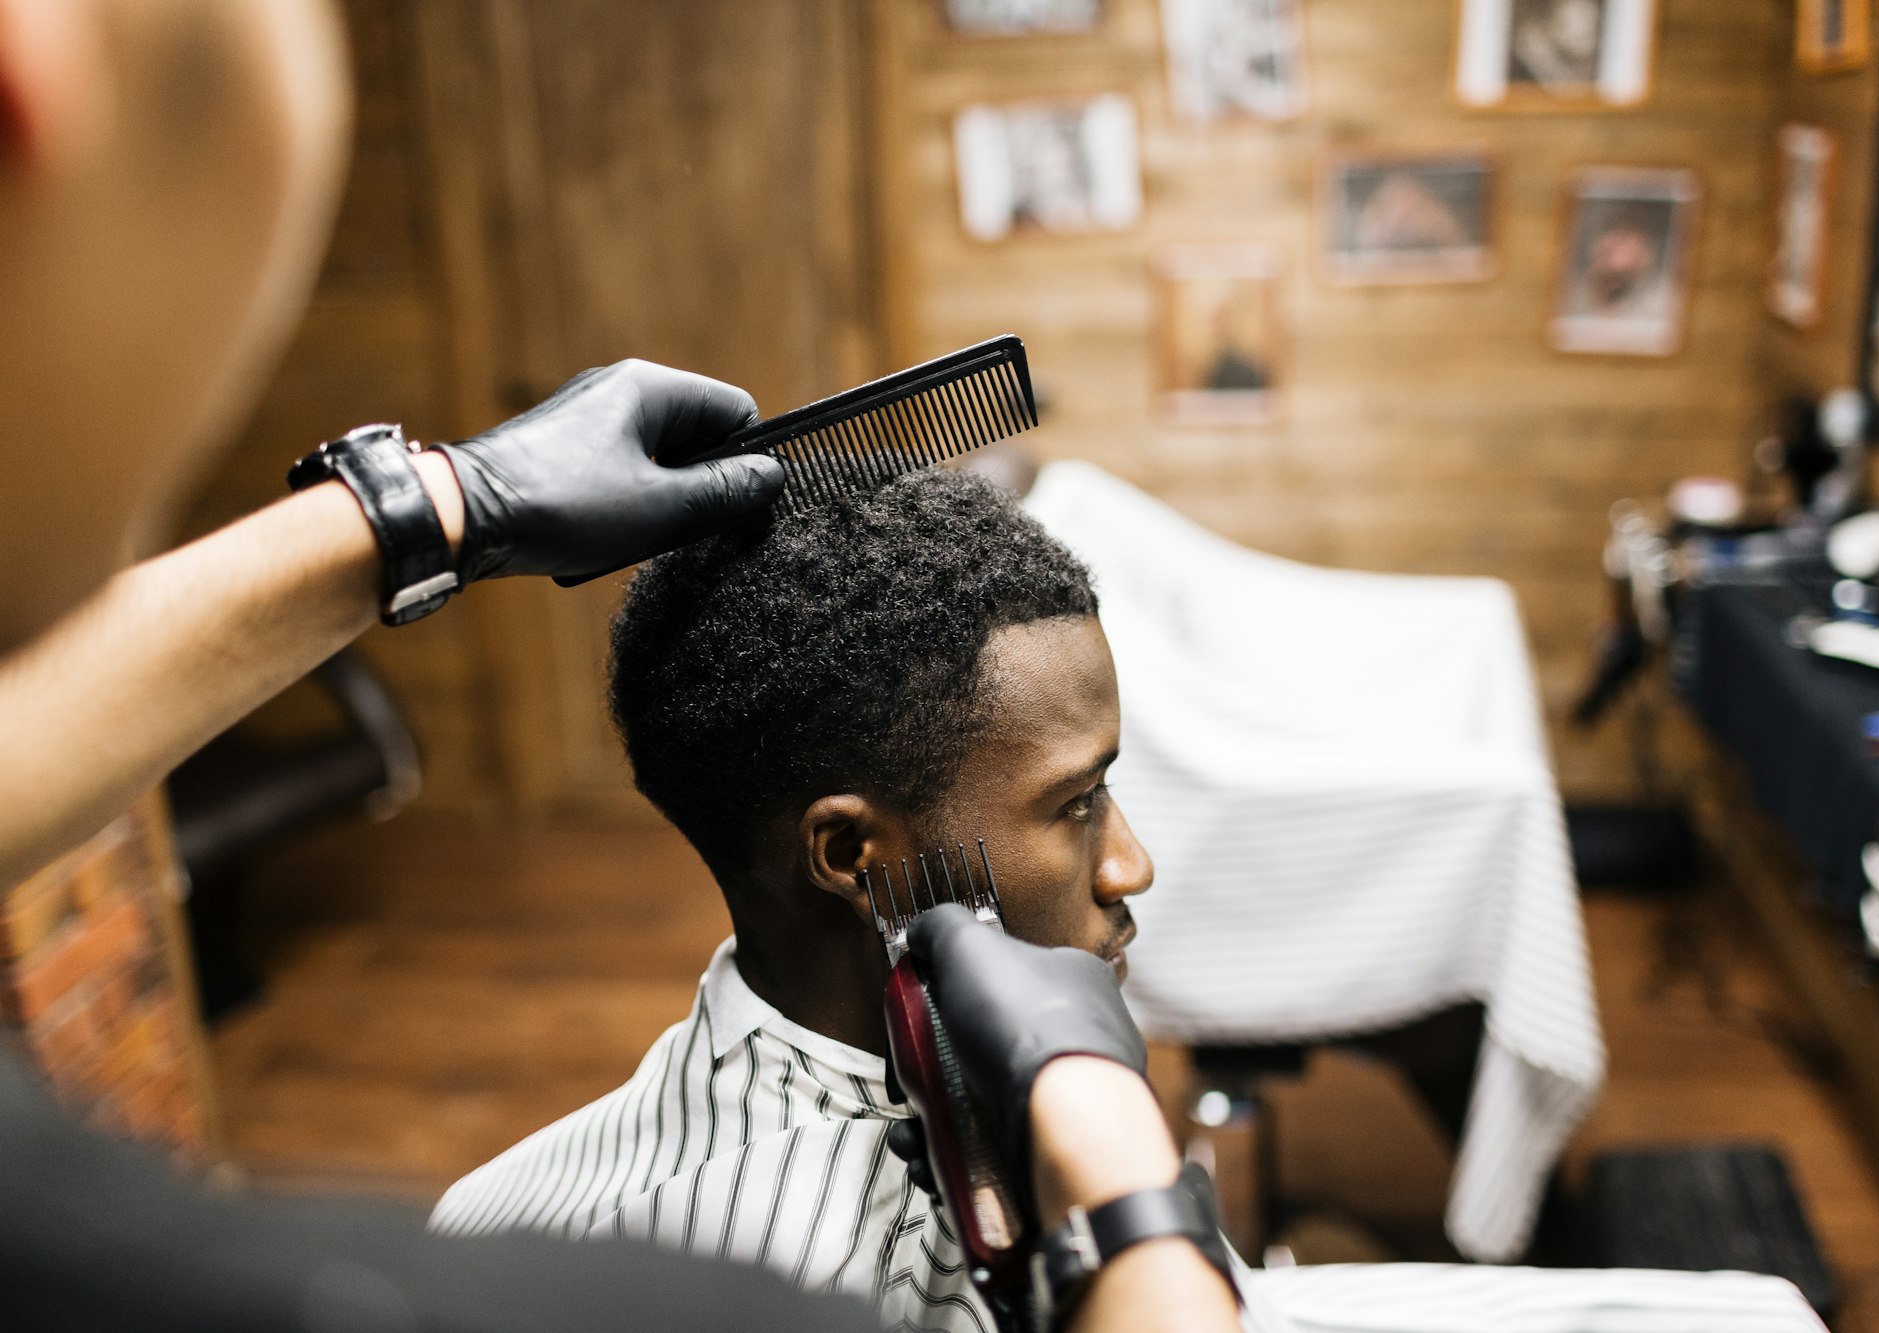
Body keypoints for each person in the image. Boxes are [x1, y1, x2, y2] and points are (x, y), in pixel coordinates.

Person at [0, 2, 1239, 1329]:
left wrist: (439, 504)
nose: (1130, 862)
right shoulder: (739, 1296)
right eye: (1076, 799)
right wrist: (1125, 1177)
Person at [432, 470, 1830, 1333]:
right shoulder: (803, 1275)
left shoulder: (871, 1058)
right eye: (1077, 801)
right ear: (853, 857)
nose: (1130, 863)